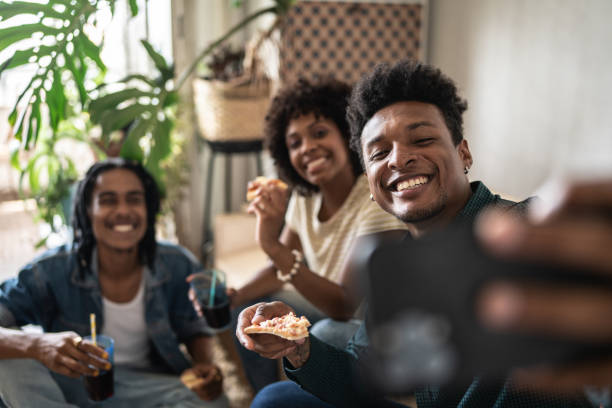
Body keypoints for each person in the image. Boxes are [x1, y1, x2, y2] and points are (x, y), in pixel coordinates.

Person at [236, 60, 601, 407]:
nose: (397, 158)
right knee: (275, 398)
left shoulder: (531, 233)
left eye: (422, 140)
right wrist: (298, 348)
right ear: (371, 185)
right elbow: (360, 372)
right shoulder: (397, 267)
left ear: (463, 154)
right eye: (379, 153)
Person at [226, 77, 408, 392]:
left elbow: (343, 305)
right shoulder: (305, 198)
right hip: (329, 311)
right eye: (295, 143)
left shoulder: (375, 197)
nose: (307, 147)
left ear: (349, 135)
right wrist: (236, 296)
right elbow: (279, 269)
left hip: (380, 335)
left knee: (322, 333)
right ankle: (265, 392)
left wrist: (269, 243)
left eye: (320, 133)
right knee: (247, 314)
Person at [0, 158, 228, 407]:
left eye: (133, 199)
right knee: (11, 357)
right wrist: (38, 344)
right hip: (74, 384)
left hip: (150, 385)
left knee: (213, 401)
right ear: (88, 209)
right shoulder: (49, 270)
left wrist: (205, 364)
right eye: (108, 200)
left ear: (148, 208)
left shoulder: (176, 263)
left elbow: (195, 328)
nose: (122, 211)